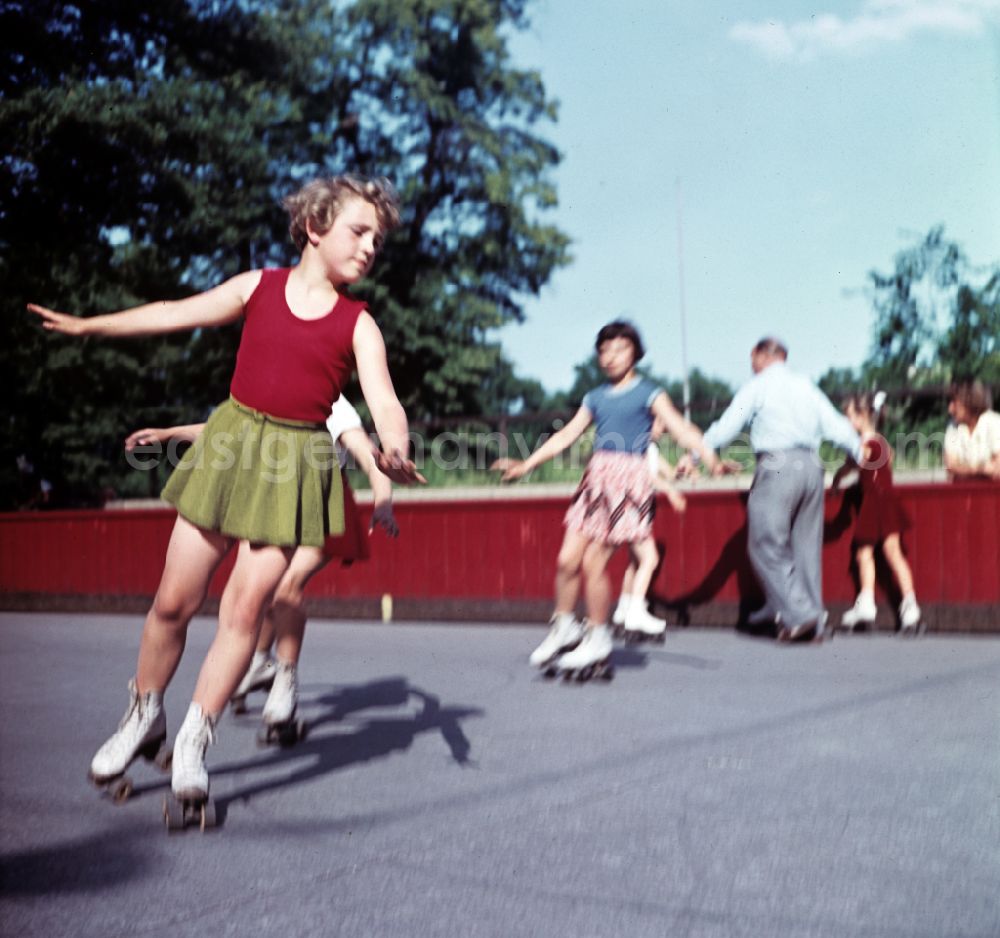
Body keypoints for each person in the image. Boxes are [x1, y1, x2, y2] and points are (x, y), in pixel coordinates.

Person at [29, 174, 421, 807]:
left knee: (244, 613)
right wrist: (89, 328)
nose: (371, 246)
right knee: (172, 604)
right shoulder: (257, 287)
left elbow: (384, 400)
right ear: (315, 228)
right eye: (358, 231)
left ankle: (193, 739)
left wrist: (395, 447)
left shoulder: (358, 323)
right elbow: (170, 313)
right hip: (230, 446)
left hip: (293, 465)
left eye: (378, 237)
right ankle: (143, 715)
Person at [123, 394, 399, 735]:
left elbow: (366, 452)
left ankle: (284, 677)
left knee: (286, 587)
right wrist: (168, 434)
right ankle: (262, 661)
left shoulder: (332, 402)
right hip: (279, 500)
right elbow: (223, 430)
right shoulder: (270, 387)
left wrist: (383, 500)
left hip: (323, 505)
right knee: (264, 592)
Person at [492, 320, 718, 674]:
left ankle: (598, 638)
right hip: (596, 480)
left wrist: (708, 455)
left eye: (620, 349)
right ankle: (565, 626)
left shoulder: (649, 392)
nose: (611, 357)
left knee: (594, 563)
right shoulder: (594, 397)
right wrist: (528, 463)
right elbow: (567, 434)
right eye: (604, 351)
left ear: (635, 354)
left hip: (627, 484)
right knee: (568, 561)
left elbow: (679, 427)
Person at [684, 337, 861, 643]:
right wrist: (860, 453)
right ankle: (811, 621)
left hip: (777, 464)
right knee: (805, 548)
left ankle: (800, 613)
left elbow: (728, 426)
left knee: (764, 543)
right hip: (812, 466)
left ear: (757, 355)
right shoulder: (806, 385)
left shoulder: (758, 385)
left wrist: (696, 453)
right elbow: (837, 426)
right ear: (784, 356)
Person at [831, 391, 921, 633]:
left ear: (861, 416)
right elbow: (865, 469)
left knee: (868, 554)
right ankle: (906, 605)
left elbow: (855, 463)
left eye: (848, 416)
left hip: (875, 503)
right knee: (888, 553)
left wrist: (838, 480)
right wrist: (839, 481)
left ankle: (875, 603)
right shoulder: (882, 442)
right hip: (885, 501)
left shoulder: (866, 444)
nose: (846, 421)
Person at [611, 420, 689, 637]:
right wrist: (671, 492)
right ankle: (635, 613)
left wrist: (683, 469)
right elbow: (648, 476)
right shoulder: (637, 446)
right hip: (633, 508)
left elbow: (669, 473)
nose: (662, 428)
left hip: (641, 508)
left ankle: (623, 611)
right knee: (650, 559)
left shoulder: (652, 449)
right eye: (658, 423)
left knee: (635, 562)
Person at [942, 380, 1000, 481]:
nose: (950, 409)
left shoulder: (994, 422)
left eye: (954, 402)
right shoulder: (953, 426)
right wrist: (980, 469)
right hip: (963, 492)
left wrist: (962, 469)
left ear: (969, 401)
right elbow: (951, 466)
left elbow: (997, 470)